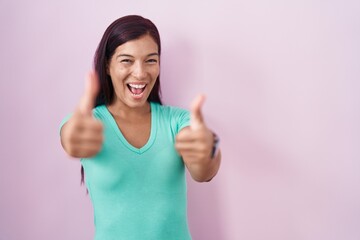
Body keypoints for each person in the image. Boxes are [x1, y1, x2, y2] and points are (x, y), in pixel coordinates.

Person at [60, 15, 221, 240]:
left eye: (150, 60)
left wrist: (208, 149)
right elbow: (71, 138)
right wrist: (73, 138)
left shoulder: (177, 121)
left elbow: (203, 171)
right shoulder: (88, 124)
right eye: (127, 60)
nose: (140, 73)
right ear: (107, 65)